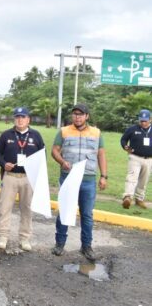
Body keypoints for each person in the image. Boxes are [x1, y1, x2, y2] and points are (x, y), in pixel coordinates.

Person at [51, 104, 107, 261]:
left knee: (87, 214)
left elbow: (101, 155)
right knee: (65, 211)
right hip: (68, 177)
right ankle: (59, 244)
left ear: (87, 116)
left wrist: (104, 176)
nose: (77, 117)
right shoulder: (64, 131)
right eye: (75, 114)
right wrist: (62, 161)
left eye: (81, 114)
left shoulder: (96, 133)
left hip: (88, 179)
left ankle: (86, 246)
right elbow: (54, 150)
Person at [0, 107, 45, 251]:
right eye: (17, 117)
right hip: (10, 177)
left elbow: (42, 156)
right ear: (14, 119)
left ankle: (25, 238)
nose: (20, 120)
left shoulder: (36, 136)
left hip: (28, 178)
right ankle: (3, 236)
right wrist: (4, 164)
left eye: (23, 117)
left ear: (28, 119)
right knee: (4, 207)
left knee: (27, 208)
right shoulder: (6, 135)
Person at [120, 109, 152, 209]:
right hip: (135, 157)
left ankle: (139, 199)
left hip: (149, 159)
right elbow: (123, 139)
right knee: (132, 177)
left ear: (150, 119)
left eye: (145, 120)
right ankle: (128, 197)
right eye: (141, 120)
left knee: (144, 180)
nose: (143, 122)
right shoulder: (132, 129)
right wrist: (125, 146)